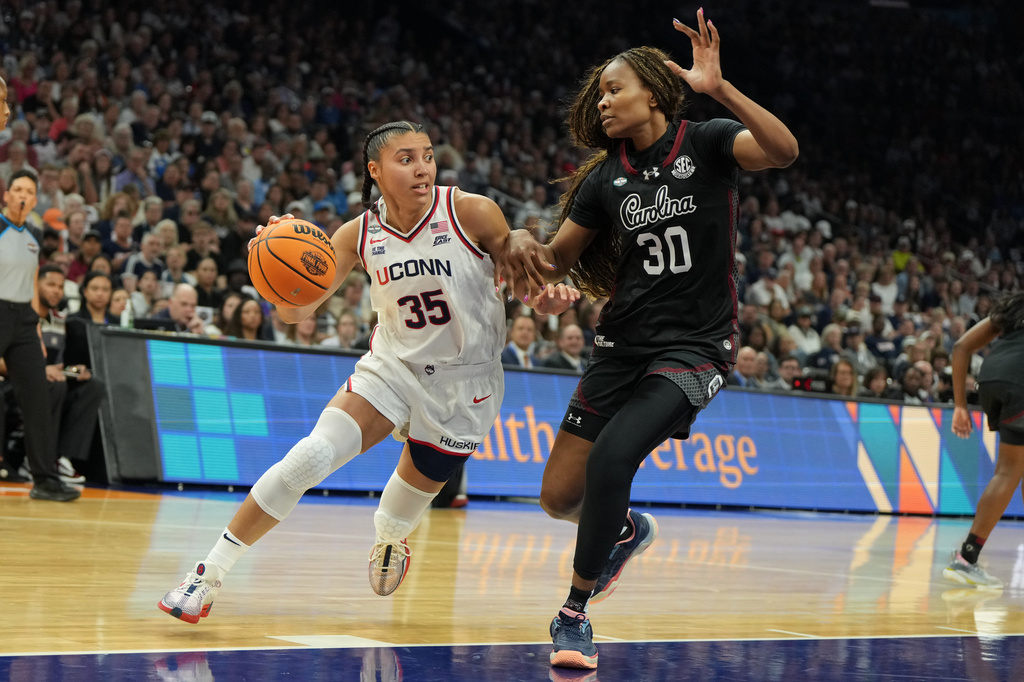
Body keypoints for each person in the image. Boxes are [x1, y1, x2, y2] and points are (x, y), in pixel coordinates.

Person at [158, 120, 578, 623]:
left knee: (395, 511)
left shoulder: (471, 211)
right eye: (406, 159)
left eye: (426, 155)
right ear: (375, 170)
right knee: (308, 458)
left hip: (465, 385)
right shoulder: (358, 234)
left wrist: (550, 297)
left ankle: (390, 539)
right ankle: (208, 574)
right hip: (391, 368)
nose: (422, 167)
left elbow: (531, 290)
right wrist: (270, 268)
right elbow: (297, 313)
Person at [497, 13, 798, 670]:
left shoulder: (710, 141)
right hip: (623, 345)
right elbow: (554, 259)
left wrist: (719, 88)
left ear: (655, 92)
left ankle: (572, 614)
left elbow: (783, 151)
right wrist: (520, 244)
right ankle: (626, 531)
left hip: (695, 349)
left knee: (613, 462)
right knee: (557, 498)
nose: (602, 101)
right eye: (599, 93)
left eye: (615, 89)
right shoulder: (606, 180)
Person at [0, 133, 80, 500]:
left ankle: (46, 480)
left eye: (29, 192)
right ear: (7, 193)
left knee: (37, 397)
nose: (22, 195)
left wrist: (34, 326)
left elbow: (32, 282)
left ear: (35, 199)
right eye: (17, 188)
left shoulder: (33, 233)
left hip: (23, 321)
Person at [943, 292, 1024, 590]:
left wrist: (960, 405)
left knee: (1013, 469)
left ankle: (966, 560)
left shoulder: (1016, 307)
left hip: (991, 377)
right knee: (1010, 471)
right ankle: (966, 558)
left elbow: (962, 345)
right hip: (1021, 379)